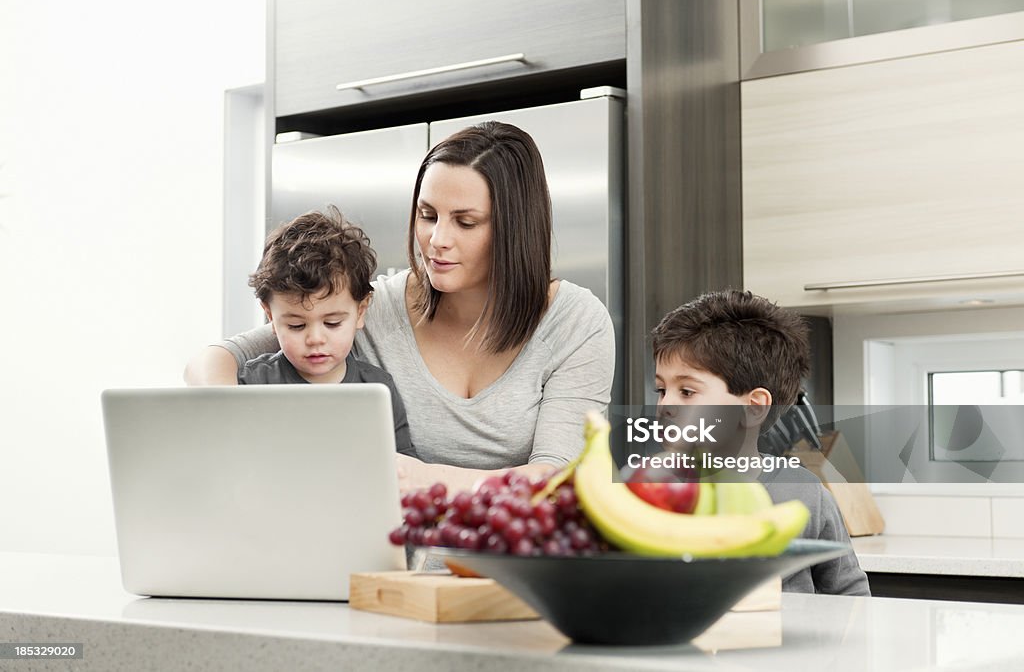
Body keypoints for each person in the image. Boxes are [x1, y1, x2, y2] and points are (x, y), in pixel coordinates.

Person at [184, 122, 615, 492]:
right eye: (428, 215)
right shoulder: (374, 306)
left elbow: (559, 481)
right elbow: (216, 360)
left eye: (465, 222)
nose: (437, 239)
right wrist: (231, 422)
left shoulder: (577, 323)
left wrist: (429, 478)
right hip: (390, 565)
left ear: (515, 229)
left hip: (516, 569)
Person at [649, 290, 870, 596]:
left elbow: (850, 594)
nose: (665, 405)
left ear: (753, 407)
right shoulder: (648, 493)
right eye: (661, 389)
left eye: (687, 391)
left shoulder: (805, 494)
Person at [239, 206, 415, 457]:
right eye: (296, 326)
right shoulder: (253, 383)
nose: (315, 339)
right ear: (270, 316)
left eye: (332, 323)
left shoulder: (378, 389)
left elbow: (402, 469)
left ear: (361, 311)